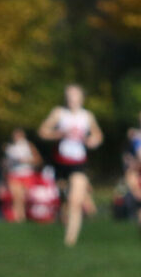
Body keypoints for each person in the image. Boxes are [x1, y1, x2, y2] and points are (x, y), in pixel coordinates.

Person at [38, 84, 103, 246]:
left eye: (74, 95)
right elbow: (42, 131)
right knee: (64, 199)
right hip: (60, 163)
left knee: (75, 200)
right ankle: (65, 212)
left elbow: (97, 135)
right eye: (69, 95)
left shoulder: (87, 116)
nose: (71, 98)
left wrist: (92, 141)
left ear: (81, 98)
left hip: (78, 163)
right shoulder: (59, 113)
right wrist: (59, 133)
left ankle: (70, 240)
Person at [3, 128, 42, 223]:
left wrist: (26, 160)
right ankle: (19, 218)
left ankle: (26, 216)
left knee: (25, 197)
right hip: (14, 174)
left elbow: (38, 159)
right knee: (17, 197)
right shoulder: (10, 148)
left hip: (26, 173)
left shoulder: (28, 146)